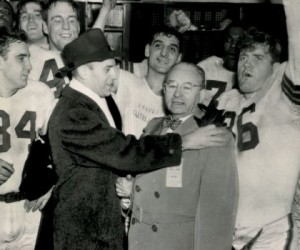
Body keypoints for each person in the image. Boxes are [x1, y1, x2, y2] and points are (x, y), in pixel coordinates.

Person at [36, 28, 219, 250]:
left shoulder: (97, 102)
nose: (114, 75)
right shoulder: (74, 112)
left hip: (99, 228)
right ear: (84, 71)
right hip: (82, 234)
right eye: (107, 69)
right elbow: (123, 151)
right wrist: (184, 142)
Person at [117, 62, 238, 250]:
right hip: (140, 241)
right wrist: (131, 191)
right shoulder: (153, 127)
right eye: (172, 86)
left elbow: (217, 216)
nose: (178, 94)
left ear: (202, 93)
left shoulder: (213, 136)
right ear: (164, 90)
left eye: (187, 87)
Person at [216, 0, 300, 248]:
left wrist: (292, 4)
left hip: (271, 230)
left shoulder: (284, 96)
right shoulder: (226, 100)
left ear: (275, 67)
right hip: (225, 228)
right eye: (243, 57)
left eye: (257, 57)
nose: (247, 64)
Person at [0, 28, 54, 250]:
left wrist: (53, 186)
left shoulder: (39, 93)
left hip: (28, 208)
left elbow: (62, 148)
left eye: (29, 58)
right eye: (21, 59)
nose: (30, 66)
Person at [27, 0, 116, 98]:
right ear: (45, 27)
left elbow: (93, 37)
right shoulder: (29, 57)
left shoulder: (90, 59)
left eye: (72, 20)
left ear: (78, 27)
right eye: (57, 20)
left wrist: (105, 9)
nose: (66, 26)